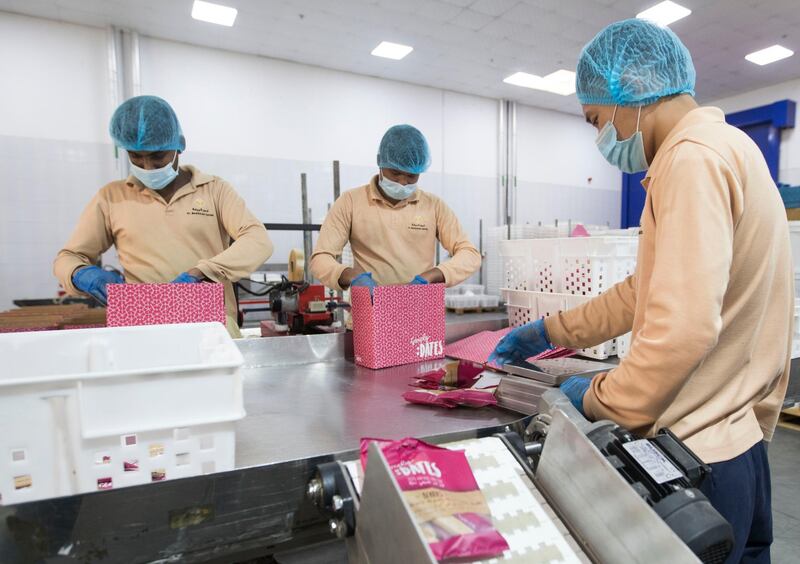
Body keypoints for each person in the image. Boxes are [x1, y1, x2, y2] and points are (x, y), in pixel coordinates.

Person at [490, 19, 791, 563]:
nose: (599, 135)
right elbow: (643, 293)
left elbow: (684, 328)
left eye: (596, 119)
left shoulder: (691, 159)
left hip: (697, 454)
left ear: (629, 96)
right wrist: (548, 331)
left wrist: (601, 397)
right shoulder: (728, 147)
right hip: (738, 440)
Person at [54, 95, 273, 337]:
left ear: (178, 145)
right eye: (136, 156)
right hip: (143, 329)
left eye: (158, 156)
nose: (148, 167)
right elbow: (68, 257)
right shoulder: (111, 198)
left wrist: (203, 272)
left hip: (212, 326)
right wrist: (80, 274)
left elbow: (258, 240)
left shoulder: (214, 190)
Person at [310, 124, 480, 290]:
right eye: (395, 173)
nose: (402, 182)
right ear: (380, 163)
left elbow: (470, 255)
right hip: (370, 311)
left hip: (420, 313)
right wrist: (351, 277)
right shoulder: (351, 202)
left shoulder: (433, 207)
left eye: (411, 175)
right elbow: (321, 258)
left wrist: (435, 275)